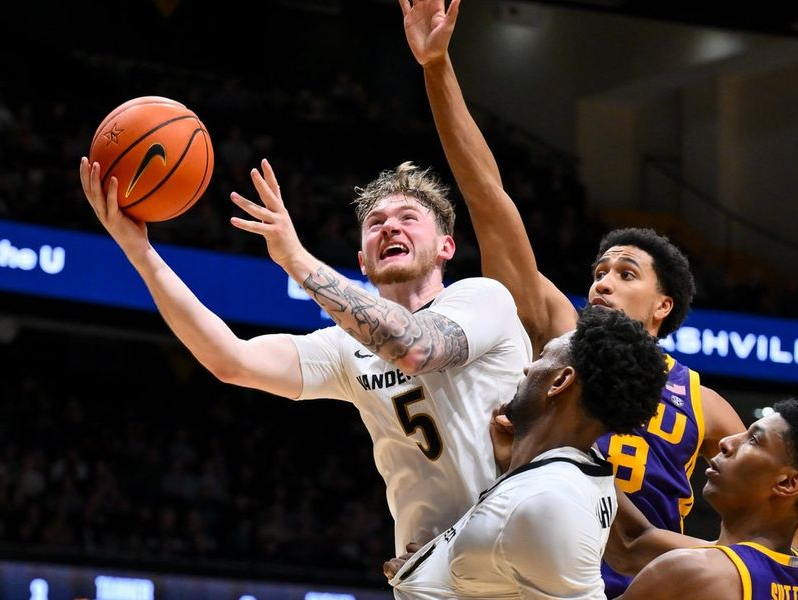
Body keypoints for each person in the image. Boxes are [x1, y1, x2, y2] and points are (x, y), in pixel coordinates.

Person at [396, 1, 798, 593]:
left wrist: (725, 565)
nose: (602, 281)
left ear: (663, 305)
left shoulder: (707, 406)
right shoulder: (561, 334)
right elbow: (489, 198)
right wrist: (437, 68)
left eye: (625, 272)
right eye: (599, 270)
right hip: (527, 570)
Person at [78, 157, 531, 556]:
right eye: (375, 223)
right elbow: (229, 359)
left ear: (446, 248)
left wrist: (295, 258)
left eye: (408, 218)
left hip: (518, 554)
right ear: (363, 259)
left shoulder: (482, 298)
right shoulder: (343, 348)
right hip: (431, 574)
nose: (389, 227)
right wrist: (140, 253)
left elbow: (415, 348)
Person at [386, 306, 667, 598]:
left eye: (543, 356)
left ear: (559, 382)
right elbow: (507, 560)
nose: (528, 367)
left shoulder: (549, 501)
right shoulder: (576, 467)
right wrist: (430, 568)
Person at [607, 398, 798, 599]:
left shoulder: (695, 571)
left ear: (788, 483)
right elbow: (634, 542)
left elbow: (633, 546)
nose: (726, 442)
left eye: (754, 440)